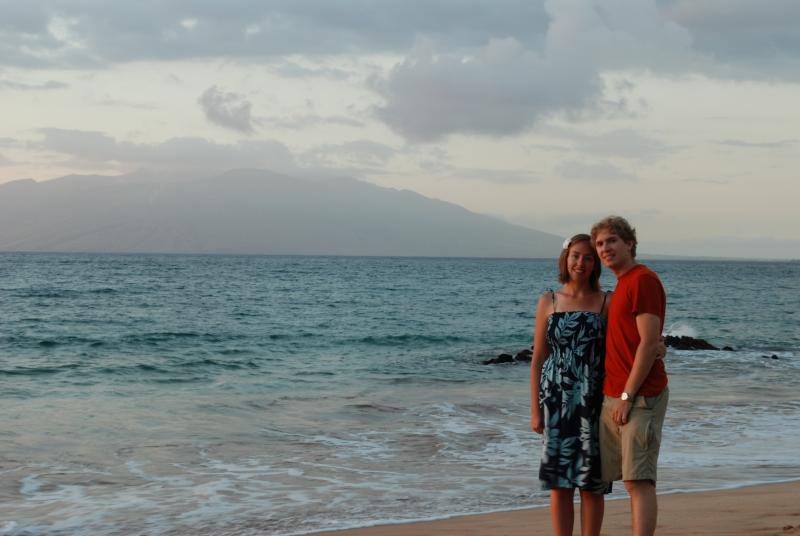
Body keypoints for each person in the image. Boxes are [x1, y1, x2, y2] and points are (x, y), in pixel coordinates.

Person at [591, 215, 668, 536]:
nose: (605, 248)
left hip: (639, 396)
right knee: (628, 481)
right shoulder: (623, 284)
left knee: (639, 480)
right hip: (615, 396)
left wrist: (626, 395)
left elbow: (650, 342)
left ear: (629, 243)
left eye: (611, 241)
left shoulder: (642, 280)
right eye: (599, 244)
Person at [530, 233, 610, 536]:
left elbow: (621, 350)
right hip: (554, 399)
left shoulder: (606, 301)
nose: (581, 262)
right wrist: (535, 410)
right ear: (566, 258)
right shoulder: (548, 300)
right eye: (576, 255)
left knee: (592, 485)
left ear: (595, 264)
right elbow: (538, 359)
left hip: (593, 399)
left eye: (589, 257)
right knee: (560, 483)